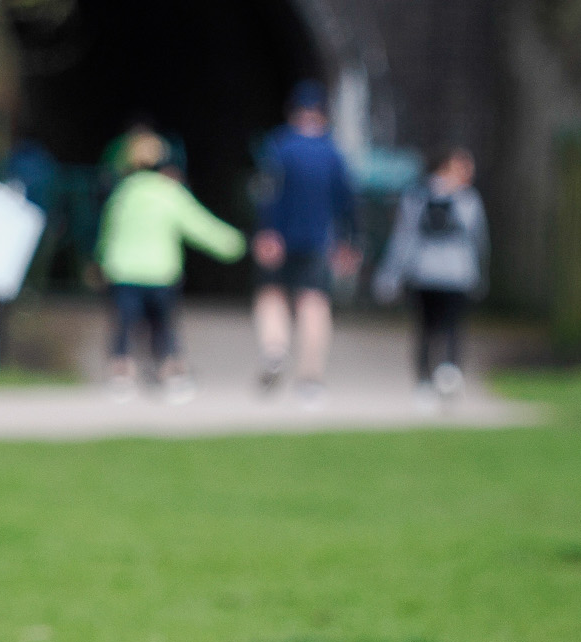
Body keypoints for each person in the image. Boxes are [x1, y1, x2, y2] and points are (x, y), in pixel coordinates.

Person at [96, 131, 246, 399]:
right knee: (164, 328)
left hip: (124, 272)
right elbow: (201, 226)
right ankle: (172, 375)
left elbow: (108, 231)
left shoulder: (123, 193)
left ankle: (121, 376)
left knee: (124, 326)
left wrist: (101, 261)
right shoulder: (170, 191)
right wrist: (236, 244)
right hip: (160, 273)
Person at [251, 81, 359, 403]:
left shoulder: (278, 146)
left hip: (279, 238)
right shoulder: (334, 154)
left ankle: (275, 349)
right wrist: (349, 241)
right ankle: (310, 378)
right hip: (317, 241)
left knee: (272, 296)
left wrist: (267, 231)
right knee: (314, 304)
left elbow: (267, 194)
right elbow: (347, 201)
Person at [372, 146, 489, 403]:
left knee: (427, 329)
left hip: (427, 274)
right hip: (450, 275)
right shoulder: (466, 200)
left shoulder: (417, 196)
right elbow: (477, 240)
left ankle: (427, 382)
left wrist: (389, 276)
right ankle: (446, 374)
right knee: (449, 328)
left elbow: (402, 239)